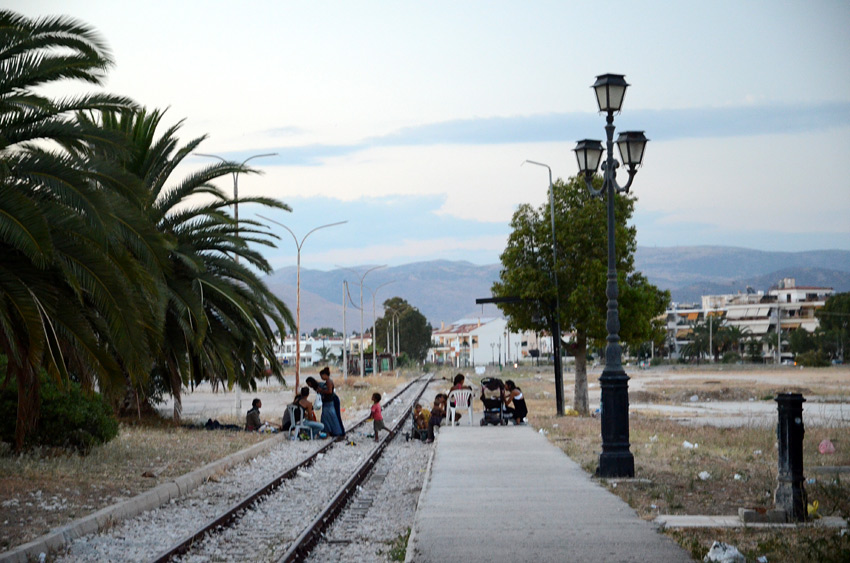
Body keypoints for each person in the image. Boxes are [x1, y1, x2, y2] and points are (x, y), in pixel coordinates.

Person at [320, 367, 346, 436]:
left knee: (332, 417)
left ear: (325, 375)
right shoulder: (328, 381)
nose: (321, 377)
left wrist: (321, 391)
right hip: (328, 402)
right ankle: (329, 431)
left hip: (330, 402)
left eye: (322, 376)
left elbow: (329, 391)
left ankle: (337, 432)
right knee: (327, 417)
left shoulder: (329, 382)